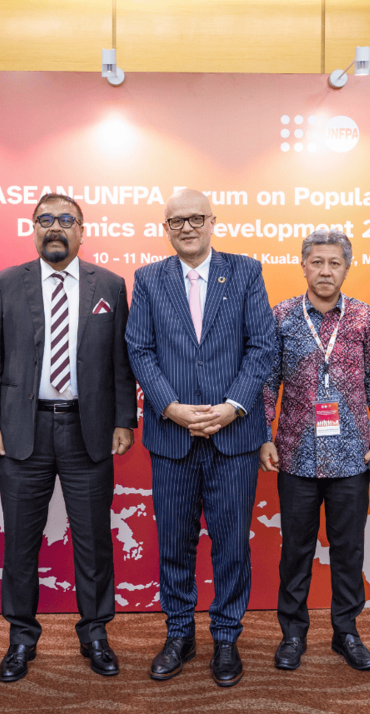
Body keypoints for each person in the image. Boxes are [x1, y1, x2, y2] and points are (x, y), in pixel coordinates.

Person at [0, 193, 138, 683]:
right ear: (33, 228)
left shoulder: (109, 284)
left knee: (93, 543)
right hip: (22, 432)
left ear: (81, 231)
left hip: (87, 431)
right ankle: (21, 639)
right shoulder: (8, 283)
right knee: (20, 545)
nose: (55, 228)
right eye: (45, 220)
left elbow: (119, 362)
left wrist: (123, 420)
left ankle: (95, 635)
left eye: (66, 220)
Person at [125, 188, 275, 688]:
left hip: (234, 437)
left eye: (195, 218)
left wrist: (232, 407)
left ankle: (227, 637)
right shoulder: (148, 280)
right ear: (165, 228)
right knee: (174, 542)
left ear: (212, 220)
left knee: (232, 544)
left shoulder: (247, 272)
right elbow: (139, 350)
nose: (186, 227)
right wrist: (170, 406)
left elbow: (261, 348)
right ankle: (180, 633)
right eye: (175, 221)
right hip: (173, 436)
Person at [260, 230, 370, 672]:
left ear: (346, 267)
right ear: (303, 266)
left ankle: (346, 633)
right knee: (295, 550)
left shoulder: (361, 316)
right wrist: (264, 434)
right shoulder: (281, 316)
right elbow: (268, 384)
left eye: (334, 263)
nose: (325, 271)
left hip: (353, 455)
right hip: (296, 454)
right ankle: (293, 634)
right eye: (317, 262)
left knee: (348, 550)